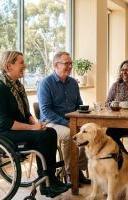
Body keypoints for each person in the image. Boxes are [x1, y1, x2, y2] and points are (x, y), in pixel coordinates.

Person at [0, 51, 70, 198]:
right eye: (21, 63)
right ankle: (46, 184)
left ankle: (51, 179)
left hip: (15, 128)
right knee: (42, 137)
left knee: (50, 132)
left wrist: (38, 124)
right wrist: (33, 128)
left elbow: (26, 114)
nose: (24, 65)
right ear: (8, 66)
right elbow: (4, 121)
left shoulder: (17, 87)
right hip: (2, 132)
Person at [37, 51, 90, 185]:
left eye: (71, 63)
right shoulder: (46, 83)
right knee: (69, 134)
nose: (70, 66)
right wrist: (66, 123)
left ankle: (79, 170)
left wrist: (85, 117)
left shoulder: (73, 83)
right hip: (50, 123)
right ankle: (70, 172)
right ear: (56, 65)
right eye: (66, 63)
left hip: (70, 121)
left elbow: (79, 104)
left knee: (88, 133)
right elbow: (46, 111)